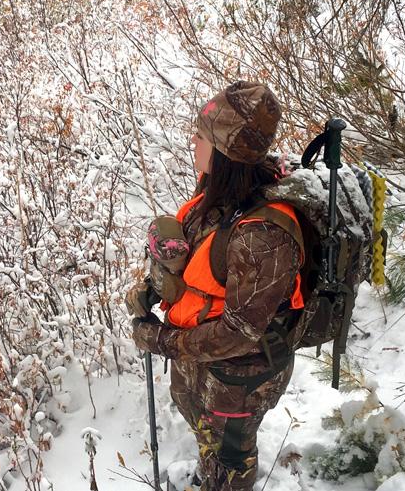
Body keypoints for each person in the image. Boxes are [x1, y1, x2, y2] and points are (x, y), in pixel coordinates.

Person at [129, 81, 304, 491]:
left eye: (202, 136)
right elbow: (200, 257)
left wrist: (162, 340)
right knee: (211, 444)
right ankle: (211, 472)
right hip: (207, 367)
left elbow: (239, 334)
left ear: (226, 152)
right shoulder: (221, 193)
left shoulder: (263, 237)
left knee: (230, 459)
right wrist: (157, 287)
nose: (193, 141)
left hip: (238, 380)